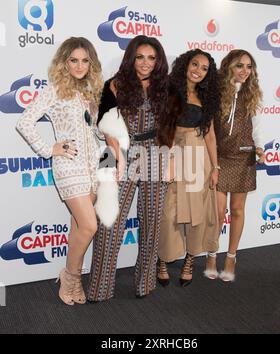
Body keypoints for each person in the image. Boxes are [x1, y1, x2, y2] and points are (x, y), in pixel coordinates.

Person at [16, 37, 104, 305]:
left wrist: (96, 113)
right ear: (64, 62)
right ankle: (70, 278)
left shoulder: (90, 91)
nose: (79, 66)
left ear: (91, 63)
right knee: (90, 225)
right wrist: (49, 148)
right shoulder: (55, 90)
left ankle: (72, 279)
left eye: (84, 60)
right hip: (68, 165)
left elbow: (97, 132)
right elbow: (24, 122)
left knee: (79, 226)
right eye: (73, 60)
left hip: (91, 167)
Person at [87, 35, 169, 301]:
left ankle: (145, 284)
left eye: (151, 58)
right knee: (109, 220)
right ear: (131, 57)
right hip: (117, 152)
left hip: (155, 151)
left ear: (158, 61)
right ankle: (100, 288)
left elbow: (171, 126)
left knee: (152, 220)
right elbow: (102, 123)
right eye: (140, 57)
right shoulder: (114, 84)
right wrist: (115, 153)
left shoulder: (164, 87)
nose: (145, 63)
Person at [156, 49, 221, 287]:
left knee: (198, 213)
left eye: (204, 69)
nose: (198, 71)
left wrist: (215, 167)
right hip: (174, 154)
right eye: (195, 64)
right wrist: (169, 159)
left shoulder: (207, 98)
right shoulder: (168, 92)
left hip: (199, 159)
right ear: (186, 64)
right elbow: (163, 129)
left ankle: (190, 260)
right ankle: (162, 260)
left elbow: (211, 135)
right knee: (168, 213)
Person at [215, 49, 265, 282]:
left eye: (249, 66)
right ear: (229, 68)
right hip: (220, 157)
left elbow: (258, 126)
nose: (245, 71)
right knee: (217, 212)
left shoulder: (252, 93)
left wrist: (261, 147)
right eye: (239, 66)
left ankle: (231, 257)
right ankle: (212, 254)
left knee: (237, 210)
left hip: (243, 157)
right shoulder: (216, 92)